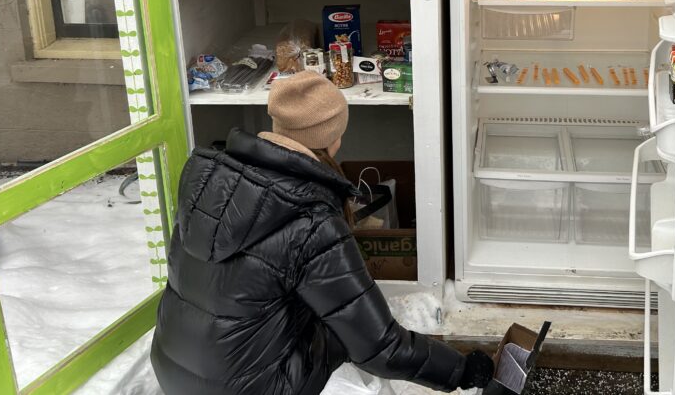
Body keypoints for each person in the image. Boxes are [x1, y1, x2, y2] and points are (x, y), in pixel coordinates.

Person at [152, 71, 494, 394]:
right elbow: (381, 347)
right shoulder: (311, 220)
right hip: (252, 388)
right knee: (343, 330)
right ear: (334, 137)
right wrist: (462, 370)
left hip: (172, 368)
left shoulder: (206, 178)